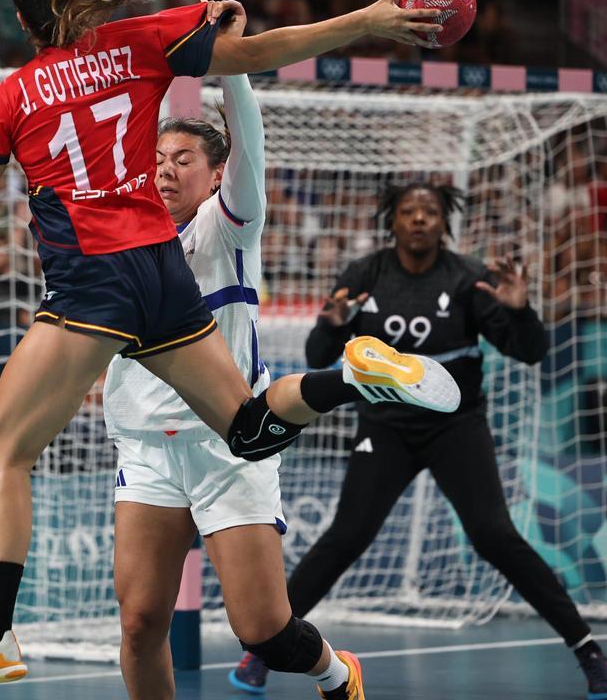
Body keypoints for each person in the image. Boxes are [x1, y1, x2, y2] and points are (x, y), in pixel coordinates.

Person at [0, 0, 455, 688]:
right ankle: (346, 378)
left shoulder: (7, 98)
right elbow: (265, 49)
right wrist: (371, 18)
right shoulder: (139, 42)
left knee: (3, 450)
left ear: (26, 13)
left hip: (92, 287)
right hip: (161, 274)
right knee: (247, 428)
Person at [229, 182, 607, 699]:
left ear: (443, 221)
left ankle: (588, 651)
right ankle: (264, 650)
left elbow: (532, 352)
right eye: (409, 211)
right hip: (385, 426)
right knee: (346, 536)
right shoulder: (365, 275)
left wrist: (521, 311)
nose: (420, 219)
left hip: (456, 427)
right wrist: (330, 323)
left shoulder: (469, 278)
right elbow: (320, 353)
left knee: (495, 536)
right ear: (394, 221)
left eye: (429, 211)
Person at [107, 67, 371, 699]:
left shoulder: (227, 228)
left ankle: (337, 674)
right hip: (146, 449)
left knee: (263, 630)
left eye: (184, 159)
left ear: (218, 172)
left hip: (232, 447)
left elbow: (248, 142)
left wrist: (231, 69)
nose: (166, 169)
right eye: (159, 159)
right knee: (141, 623)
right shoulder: (119, 242)